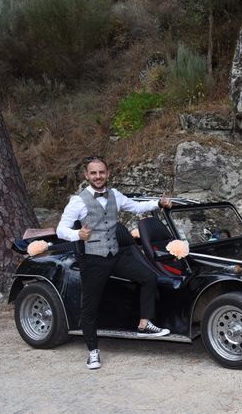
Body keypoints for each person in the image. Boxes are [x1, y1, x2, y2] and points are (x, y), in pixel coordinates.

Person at [57, 155, 172, 370]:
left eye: (101, 172)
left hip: (114, 254)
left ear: (107, 173)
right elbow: (60, 230)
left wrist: (158, 202)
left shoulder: (115, 195)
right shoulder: (78, 201)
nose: (98, 176)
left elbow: (136, 207)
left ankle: (144, 323)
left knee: (148, 276)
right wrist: (77, 234)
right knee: (90, 306)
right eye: (93, 173)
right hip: (92, 258)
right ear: (87, 175)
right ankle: (92, 350)